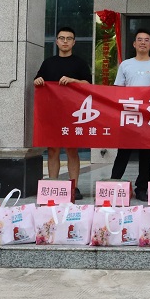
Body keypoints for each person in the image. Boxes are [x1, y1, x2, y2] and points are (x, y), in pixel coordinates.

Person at [34, 26, 92, 200]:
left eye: (69, 38)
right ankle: (53, 185)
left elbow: (89, 85)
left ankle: (74, 187)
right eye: (62, 38)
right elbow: (38, 80)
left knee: (72, 150)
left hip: (73, 113)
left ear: (74, 42)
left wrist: (73, 81)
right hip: (52, 113)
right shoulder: (48, 63)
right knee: (53, 150)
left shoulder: (80, 63)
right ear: (57, 41)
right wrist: (38, 80)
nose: (65, 41)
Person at [110, 29, 150, 202]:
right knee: (123, 151)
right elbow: (117, 90)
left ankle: (142, 188)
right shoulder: (125, 64)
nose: (143, 42)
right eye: (140, 40)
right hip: (129, 114)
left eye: (146, 40)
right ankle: (113, 184)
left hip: (148, 116)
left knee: (145, 154)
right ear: (134, 44)